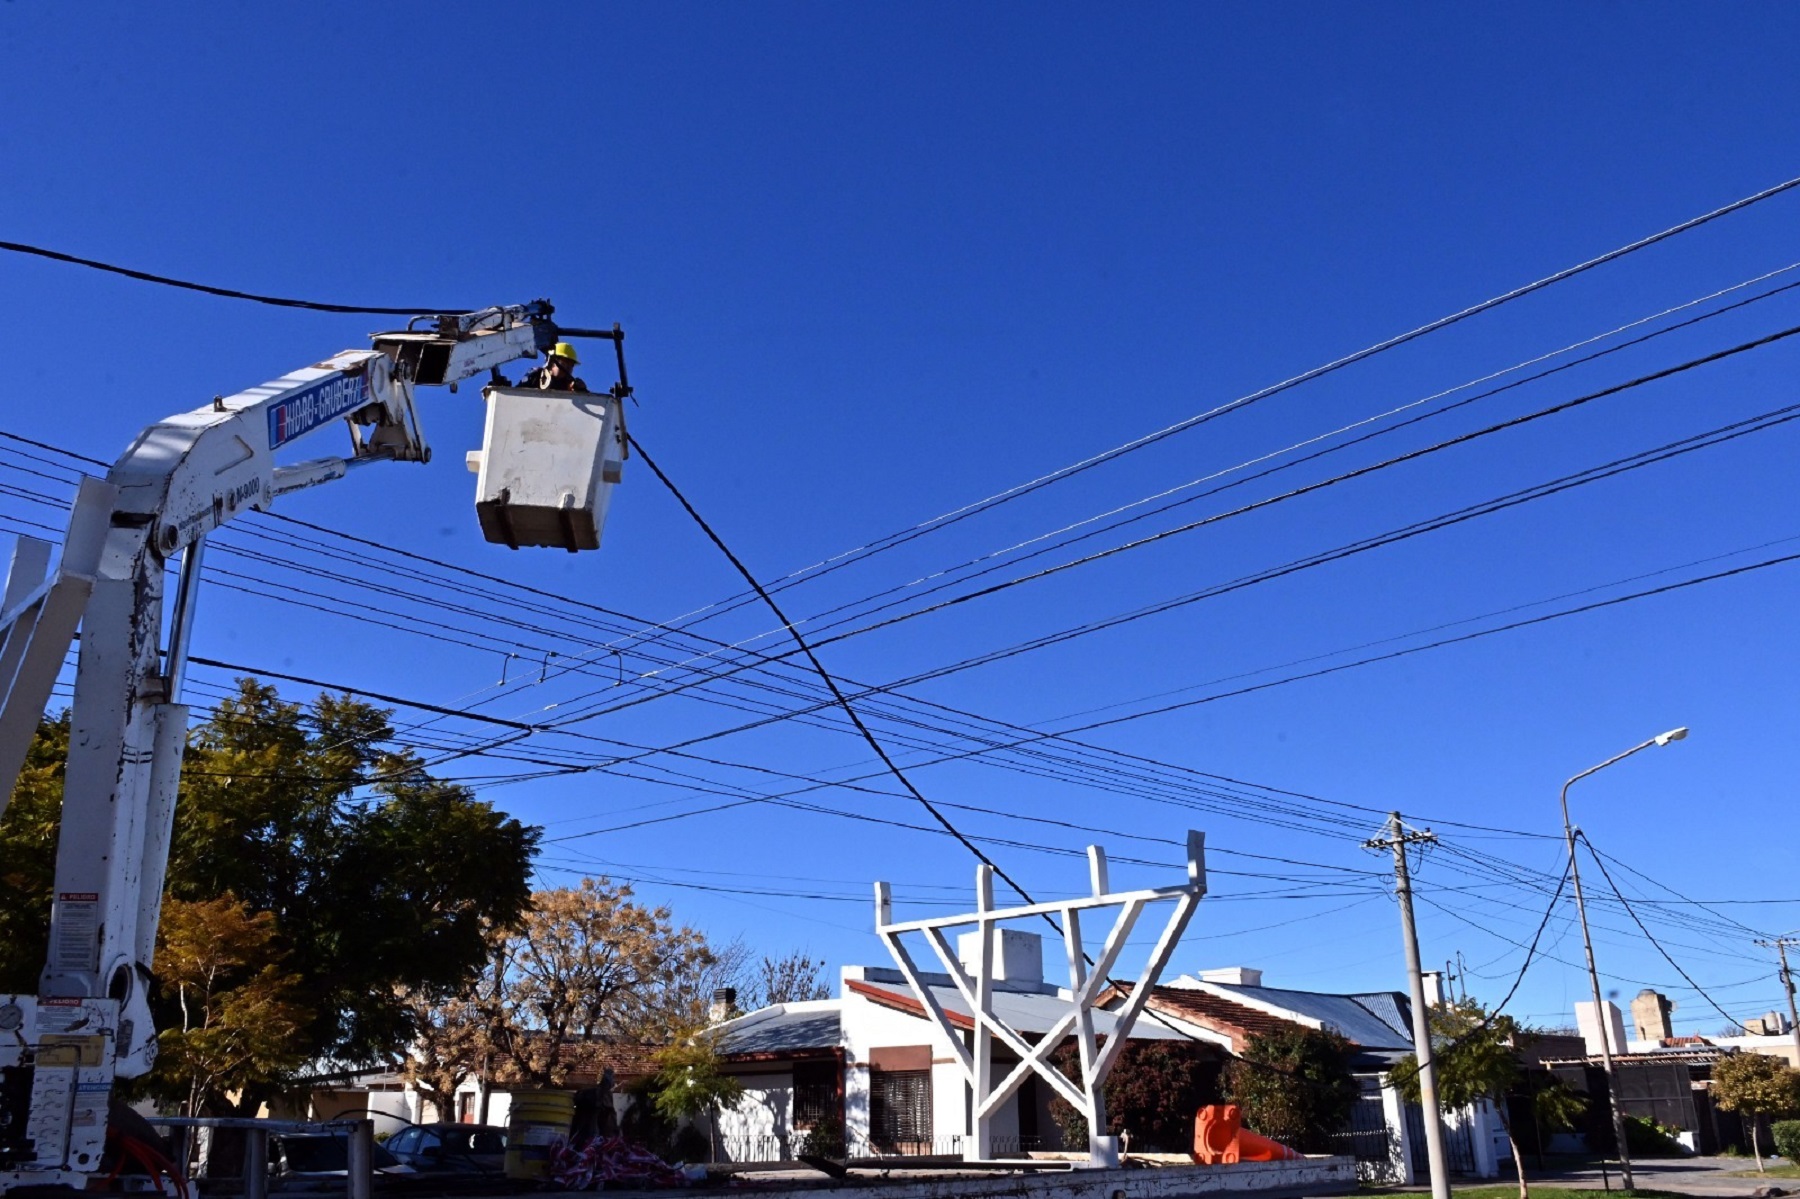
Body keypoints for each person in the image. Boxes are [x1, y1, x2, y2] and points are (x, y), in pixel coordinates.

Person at [519, 342, 589, 392]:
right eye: (566, 362)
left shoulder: (570, 385)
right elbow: (518, 394)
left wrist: (582, 391)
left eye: (571, 365)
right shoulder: (536, 374)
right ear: (552, 361)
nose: (569, 367)